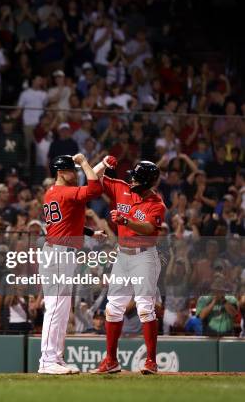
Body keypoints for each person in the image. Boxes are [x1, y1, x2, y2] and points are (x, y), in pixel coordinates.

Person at [91, 158, 166, 375]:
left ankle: (151, 361)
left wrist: (126, 221)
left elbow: (148, 228)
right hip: (123, 256)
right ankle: (111, 361)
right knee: (113, 308)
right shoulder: (121, 188)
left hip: (145, 257)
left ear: (145, 182)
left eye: (135, 176)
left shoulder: (157, 204)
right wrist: (104, 163)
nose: (131, 178)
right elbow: (93, 177)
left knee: (144, 307)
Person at [37, 154, 103, 375]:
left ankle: (55, 357)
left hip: (62, 252)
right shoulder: (64, 192)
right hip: (57, 254)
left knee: (62, 310)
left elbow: (69, 221)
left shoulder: (54, 192)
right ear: (60, 172)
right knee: (55, 308)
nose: (75, 173)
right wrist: (85, 162)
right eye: (71, 170)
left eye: (76, 170)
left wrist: (91, 232)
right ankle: (46, 360)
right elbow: (94, 190)